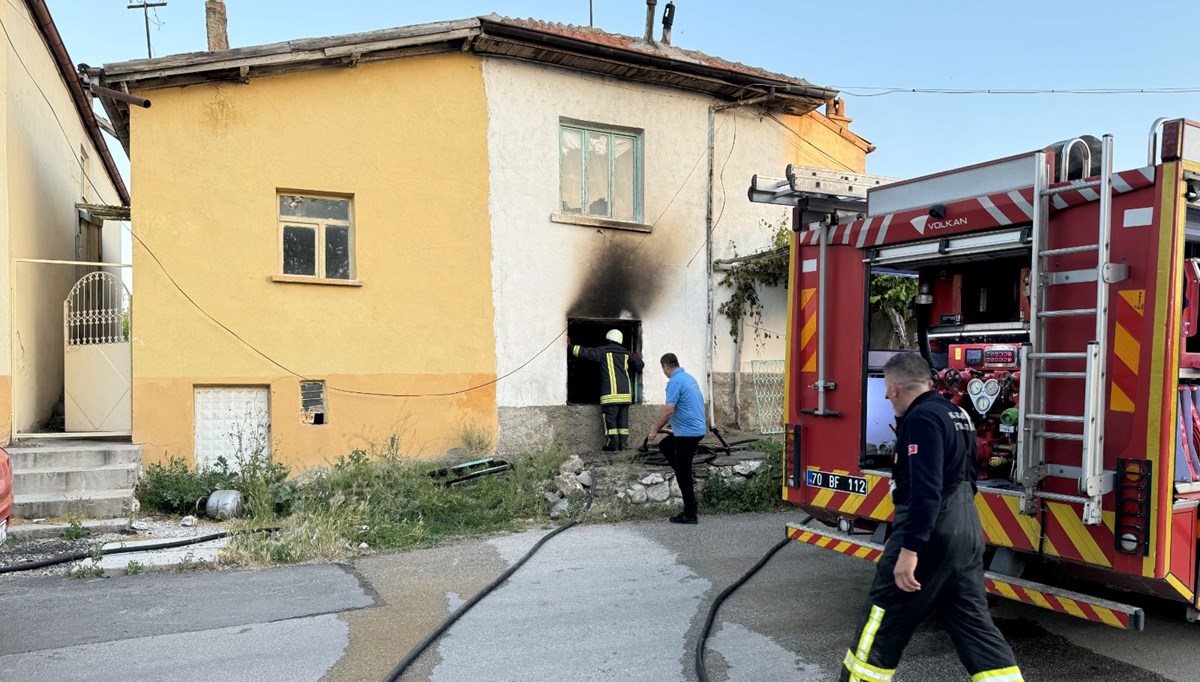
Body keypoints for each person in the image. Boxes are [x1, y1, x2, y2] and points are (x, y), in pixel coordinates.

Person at [840, 353, 1023, 682]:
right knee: (975, 628)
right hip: (966, 529)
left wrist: (910, 550)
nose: (883, 395)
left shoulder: (921, 418)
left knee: (882, 619)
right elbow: (969, 477)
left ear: (895, 389)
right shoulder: (959, 414)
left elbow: (927, 489)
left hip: (930, 531)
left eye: (886, 388)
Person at [646, 353, 706, 524]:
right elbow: (689, 405)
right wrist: (674, 425)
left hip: (688, 434)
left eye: (663, 369)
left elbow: (669, 410)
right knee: (665, 445)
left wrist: (655, 429)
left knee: (683, 473)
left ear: (665, 366)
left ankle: (690, 514)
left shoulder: (675, 381)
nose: (663, 372)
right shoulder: (688, 378)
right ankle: (682, 470)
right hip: (695, 429)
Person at [569, 330, 643, 451]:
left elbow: (586, 353)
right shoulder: (626, 353)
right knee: (622, 420)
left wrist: (570, 346)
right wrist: (636, 356)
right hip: (625, 395)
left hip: (610, 395)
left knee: (610, 419)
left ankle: (613, 444)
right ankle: (622, 444)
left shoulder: (604, 351)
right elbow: (639, 366)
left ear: (608, 339)